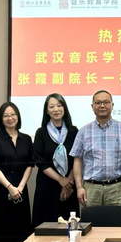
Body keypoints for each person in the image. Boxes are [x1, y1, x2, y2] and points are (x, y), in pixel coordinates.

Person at [70, 90, 121, 207]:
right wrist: (79, 187)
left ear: (112, 105)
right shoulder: (83, 131)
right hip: (91, 189)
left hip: (117, 188)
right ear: (92, 106)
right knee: (91, 219)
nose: (102, 105)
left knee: (118, 219)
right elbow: (77, 160)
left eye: (106, 102)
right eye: (98, 103)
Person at [0, 102, 34, 242]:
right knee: (0, 228)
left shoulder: (26, 139)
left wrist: (20, 187)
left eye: (13, 114)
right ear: (1, 119)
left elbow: (30, 164)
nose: (10, 118)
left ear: (18, 117)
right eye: (6, 115)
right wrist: (10, 187)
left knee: (21, 227)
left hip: (21, 190)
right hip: (1, 190)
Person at [32, 93, 79, 226]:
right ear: (47, 111)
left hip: (70, 185)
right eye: (51, 106)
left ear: (64, 108)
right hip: (47, 185)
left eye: (59, 105)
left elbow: (77, 158)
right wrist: (60, 180)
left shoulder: (73, 131)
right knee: (47, 224)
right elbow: (39, 161)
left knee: (70, 224)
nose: (56, 109)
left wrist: (68, 182)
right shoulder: (41, 132)